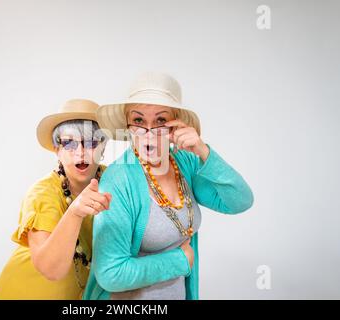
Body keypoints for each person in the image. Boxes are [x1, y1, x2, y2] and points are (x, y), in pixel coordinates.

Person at [83, 72, 254, 300]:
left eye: (161, 121)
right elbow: (110, 274)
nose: (149, 133)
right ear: (127, 125)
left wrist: (203, 151)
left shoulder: (185, 163)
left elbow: (240, 200)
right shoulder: (118, 180)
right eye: (139, 121)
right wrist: (180, 261)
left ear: (176, 125)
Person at [0, 99, 111, 299]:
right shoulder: (42, 194)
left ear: (103, 146)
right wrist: (75, 211)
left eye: (90, 142)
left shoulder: (114, 180)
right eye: (69, 143)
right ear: (57, 149)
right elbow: (51, 270)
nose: (80, 153)